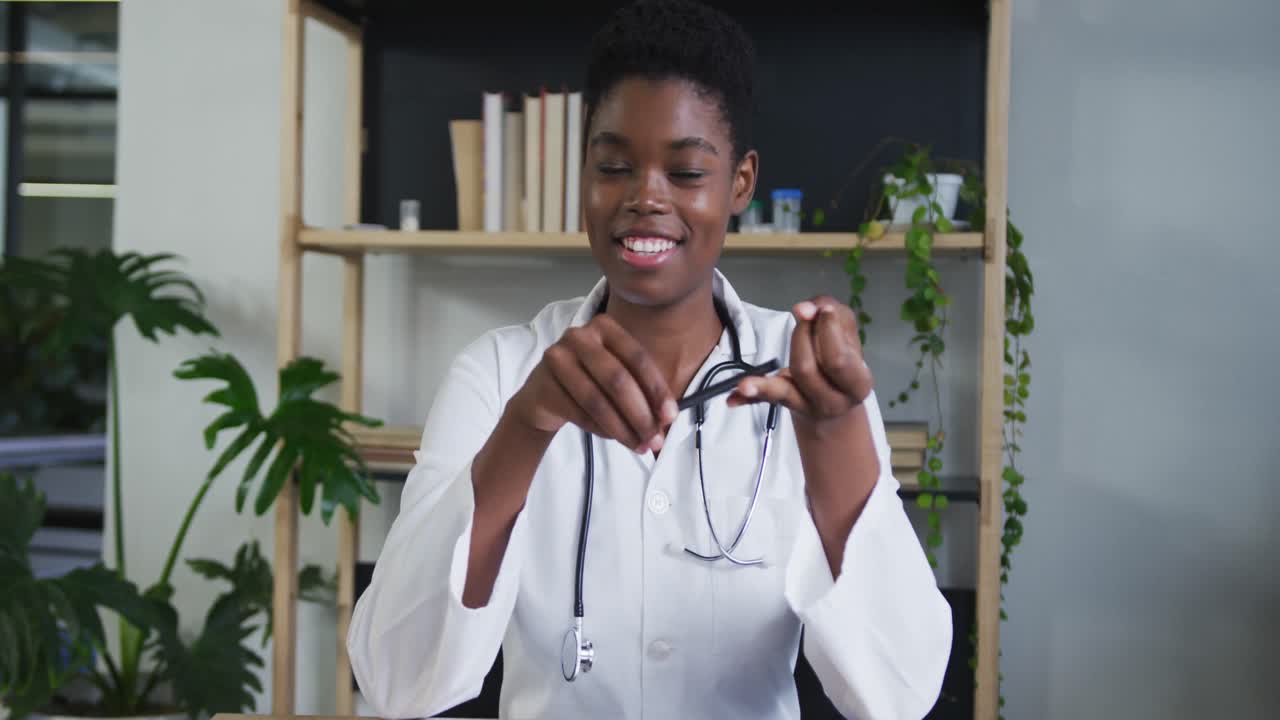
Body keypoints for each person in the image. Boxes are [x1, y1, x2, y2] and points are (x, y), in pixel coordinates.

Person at [347, 1, 952, 718]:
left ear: (740, 184)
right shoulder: (500, 373)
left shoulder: (804, 378)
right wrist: (527, 426)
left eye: (687, 172)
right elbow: (394, 680)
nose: (644, 198)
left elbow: (900, 694)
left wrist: (837, 445)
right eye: (613, 166)